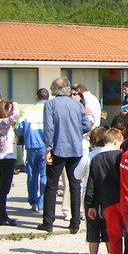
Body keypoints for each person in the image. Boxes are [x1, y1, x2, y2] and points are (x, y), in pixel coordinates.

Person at [38, 77, 91, 234]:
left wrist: (48, 148)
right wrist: (75, 133)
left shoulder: (50, 104)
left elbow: (49, 128)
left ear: (54, 89)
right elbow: (86, 125)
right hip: (75, 149)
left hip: (58, 149)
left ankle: (48, 222)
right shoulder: (77, 105)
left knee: (51, 185)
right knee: (75, 185)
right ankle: (75, 223)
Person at [80, 127, 118, 254]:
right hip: (112, 197)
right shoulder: (118, 156)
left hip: (94, 197)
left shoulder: (92, 157)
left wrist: (90, 203)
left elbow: (85, 180)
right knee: (109, 228)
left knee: (93, 228)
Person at [16, 88, 49, 212]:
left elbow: (18, 128)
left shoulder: (27, 110)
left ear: (36, 97)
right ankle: (42, 203)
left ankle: (33, 200)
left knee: (32, 174)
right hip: (46, 147)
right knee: (45, 175)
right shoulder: (51, 109)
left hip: (31, 145)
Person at [0, 99, 21, 226]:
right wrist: (16, 106)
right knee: (3, 188)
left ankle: (3, 215)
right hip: (4, 158)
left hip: (9, 157)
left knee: (6, 188)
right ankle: (2, 216)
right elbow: (14, 117)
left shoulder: (5, 124)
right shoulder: (0, 122)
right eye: (9, 109)